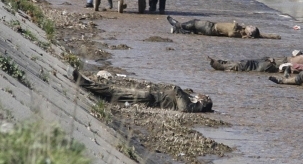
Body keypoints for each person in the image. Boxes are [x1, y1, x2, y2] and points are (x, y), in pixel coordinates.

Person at [68, 68, 213, 113]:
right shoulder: (193, 100)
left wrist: (178, 90)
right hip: (151, 95)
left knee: (116, 92)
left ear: (203, 102)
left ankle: (85, 83)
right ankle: (89, 85)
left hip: (150, 98)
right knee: (117, 93)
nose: (203, 95)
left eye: (205, 97)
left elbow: (183, 108)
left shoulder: (193, 106)